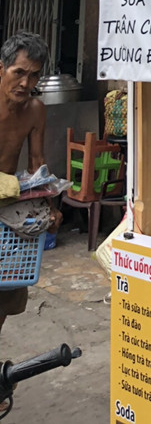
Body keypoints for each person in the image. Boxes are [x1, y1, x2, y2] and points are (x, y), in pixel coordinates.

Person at [0, 32, 58, 335]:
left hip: (8, 206)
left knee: (6, 290)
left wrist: (50, 207)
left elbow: (37, 165)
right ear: (2, 69)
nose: (25, 82)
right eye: (19, 72)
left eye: (34, 75)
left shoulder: (35, 110)